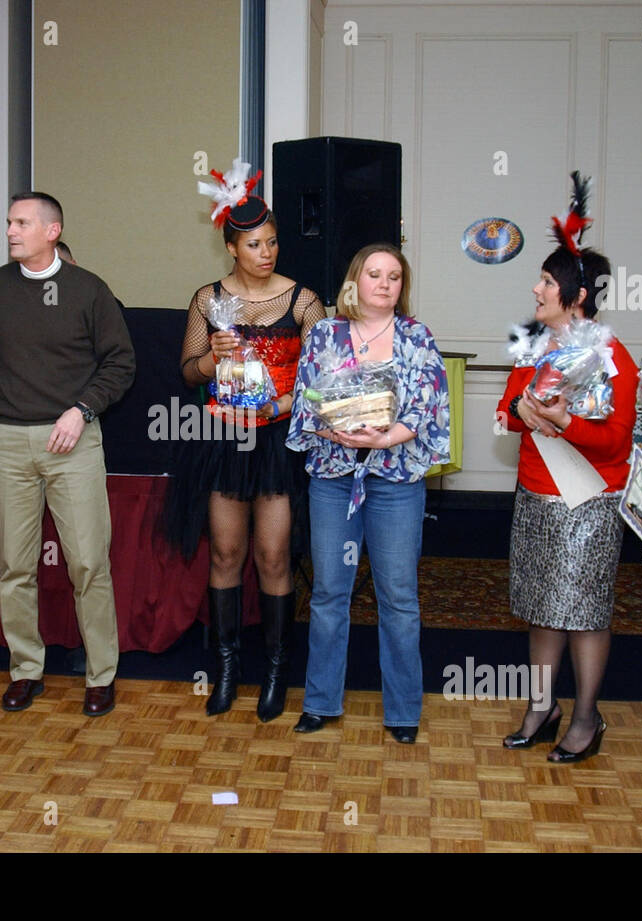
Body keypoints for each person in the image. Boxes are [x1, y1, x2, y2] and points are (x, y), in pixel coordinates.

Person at [0, 191, 134, 717]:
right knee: (14, 567)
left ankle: (101, 675)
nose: (10, 231)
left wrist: (81, 410)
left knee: (88, 564)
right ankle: (25, 670)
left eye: (22, 223)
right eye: (9, 222)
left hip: (73, 442)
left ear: (52, 231)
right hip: (9, 443)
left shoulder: (89, 289)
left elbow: (121, 362)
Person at [169, 162, 325, 721]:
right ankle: (227, 669)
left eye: (273, 242)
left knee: (274, 555)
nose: (267, 253)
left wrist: (282, 404)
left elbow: (322, 382)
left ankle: (277, 672)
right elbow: (187, 372)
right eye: (255, 244)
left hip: (279, 439)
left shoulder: (304, 301)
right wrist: (214, 359)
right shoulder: (208, 300)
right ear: (231, 248)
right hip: (225, 439)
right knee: (226, 553)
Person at [494, 174, 637, 763]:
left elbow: (615, 442)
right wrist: (523, 412)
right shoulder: (531, 345)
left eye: (548, 282)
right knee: (541, 607)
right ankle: (541, 707)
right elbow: (504, 412)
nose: (536, 288)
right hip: (535, 494)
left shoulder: (613, 358)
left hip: (589, 504)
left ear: (576, 296)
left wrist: (563, 422)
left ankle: (585, 717)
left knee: (584, 613)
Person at [286, 244, 450, 743]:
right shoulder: (325, 334)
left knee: (398, 597)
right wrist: (336, 431)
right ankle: (319, 702)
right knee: (328, 593)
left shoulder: (416, 336)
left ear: (403, 286)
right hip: (334, 477)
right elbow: (306, 401)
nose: (384, 284)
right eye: (374, 274)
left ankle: (403, 711)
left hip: (395, 481)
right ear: (355, 281)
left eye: (394, 277)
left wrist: (383, 438)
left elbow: (428, 405)